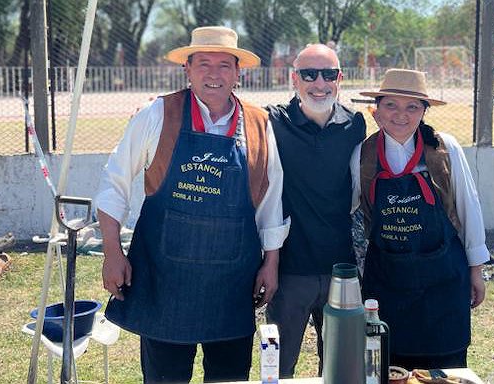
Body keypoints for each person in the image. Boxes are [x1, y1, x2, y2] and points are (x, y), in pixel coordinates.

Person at [95, 26, 289, 383]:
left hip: (232, 283)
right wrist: (112, 252)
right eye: (203, 63)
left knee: (229, 378)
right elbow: (114, 183)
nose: (213, 74)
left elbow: (271, 200)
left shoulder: (260, 124)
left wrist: (271, 263)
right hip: (164, 282)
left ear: (237, 72)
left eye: (224, 65)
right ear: (187, 68)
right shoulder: (158, 115)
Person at [355, 69, 489, 370]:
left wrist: (476, 271)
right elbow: (350, 210)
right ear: (376, 111)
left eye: (412, 106)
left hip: (443, 282)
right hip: (387, 283)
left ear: (424, 112)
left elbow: (470, 208)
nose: (401, 115)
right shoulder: (362, 155)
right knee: (388, 365)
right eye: (391, 105)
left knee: (445, 368)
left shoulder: (444, 149)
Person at [264, 43, 366, 378]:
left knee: (342, 367)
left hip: (341, 269)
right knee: (280, 368)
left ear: (340, 79)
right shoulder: (273, 122)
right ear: (294, 79)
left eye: (328, 75)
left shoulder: (355, 126)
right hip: (290, 270)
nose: (318, 83)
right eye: (309, 74)